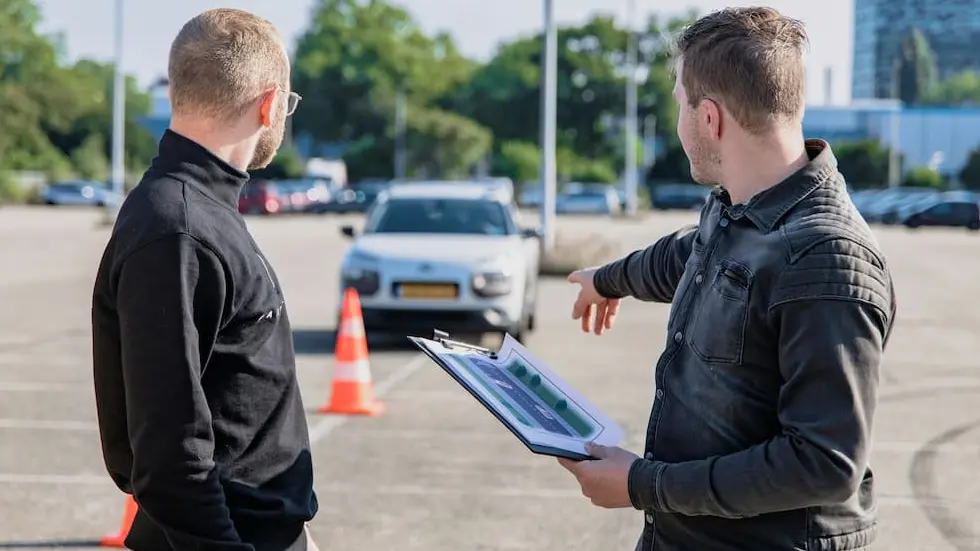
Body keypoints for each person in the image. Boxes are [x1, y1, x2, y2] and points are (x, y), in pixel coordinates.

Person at [558, 7, 897, 551]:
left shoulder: (827, 258)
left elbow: (824, 463)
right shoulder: (740, 209)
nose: (679, 123)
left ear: (710, 118)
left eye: (679, 108)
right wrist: (609, 278)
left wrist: (642, 484)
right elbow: (688, 255)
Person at [91, 9, 318, 551]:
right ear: (268, 105)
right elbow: (170, 455)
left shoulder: (199, 211)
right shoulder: (179, 229)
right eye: (286, 104)